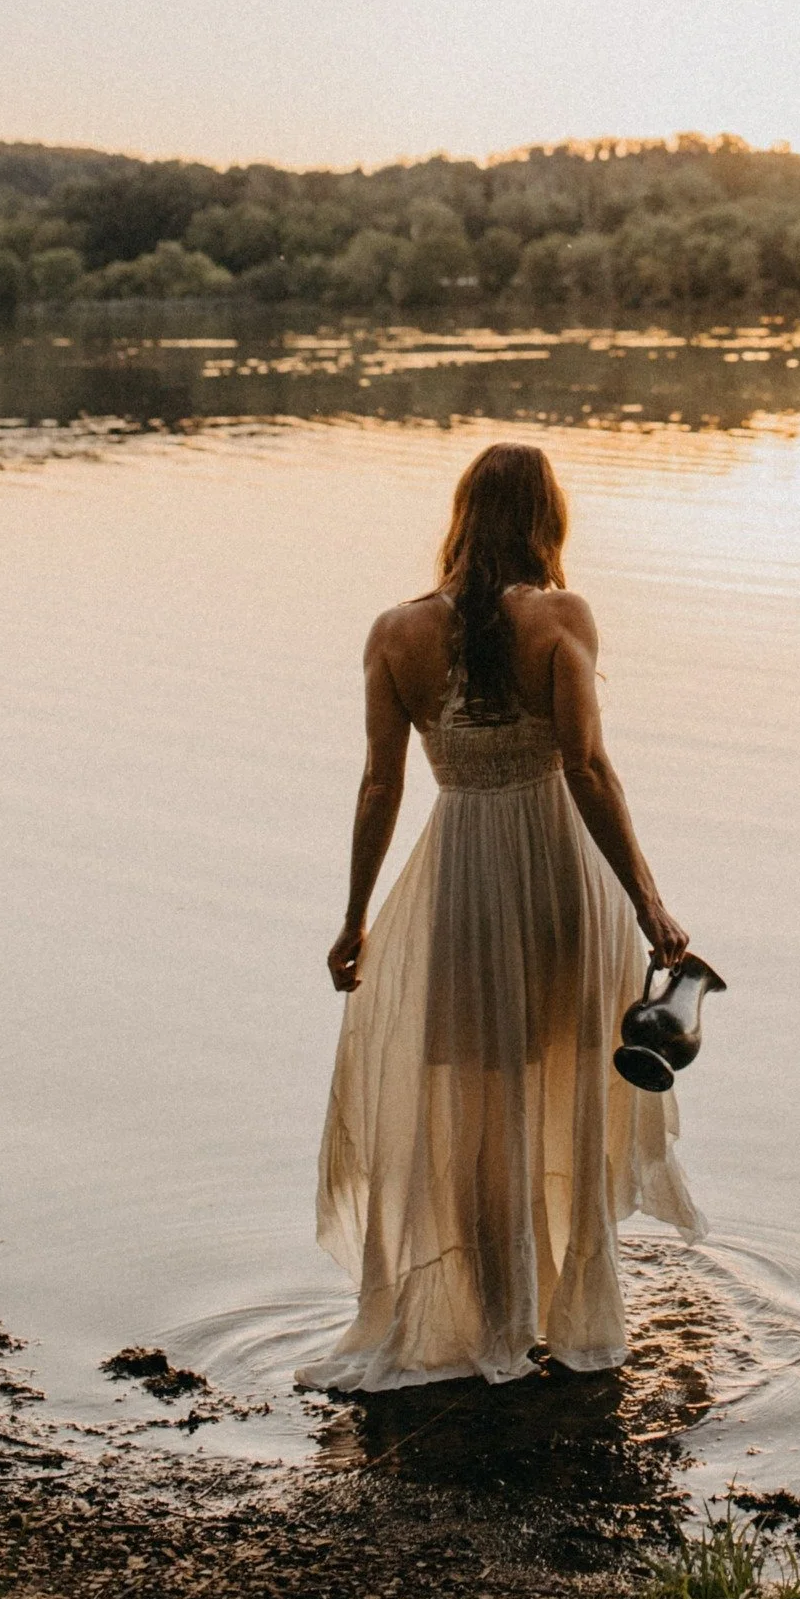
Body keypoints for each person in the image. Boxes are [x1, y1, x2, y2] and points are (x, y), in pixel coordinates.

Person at [299, 441, 702, 1394]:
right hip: (560, 878)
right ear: (544, 521)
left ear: (461, 516)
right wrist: (650, 906)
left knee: (478, 1109)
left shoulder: (393, 632)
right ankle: (565, 1312)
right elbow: (588, 771)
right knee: (562, 1091)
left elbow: (378, 785)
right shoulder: (562, 615)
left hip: (464, 884)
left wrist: (353, 918)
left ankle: (493, 1316)